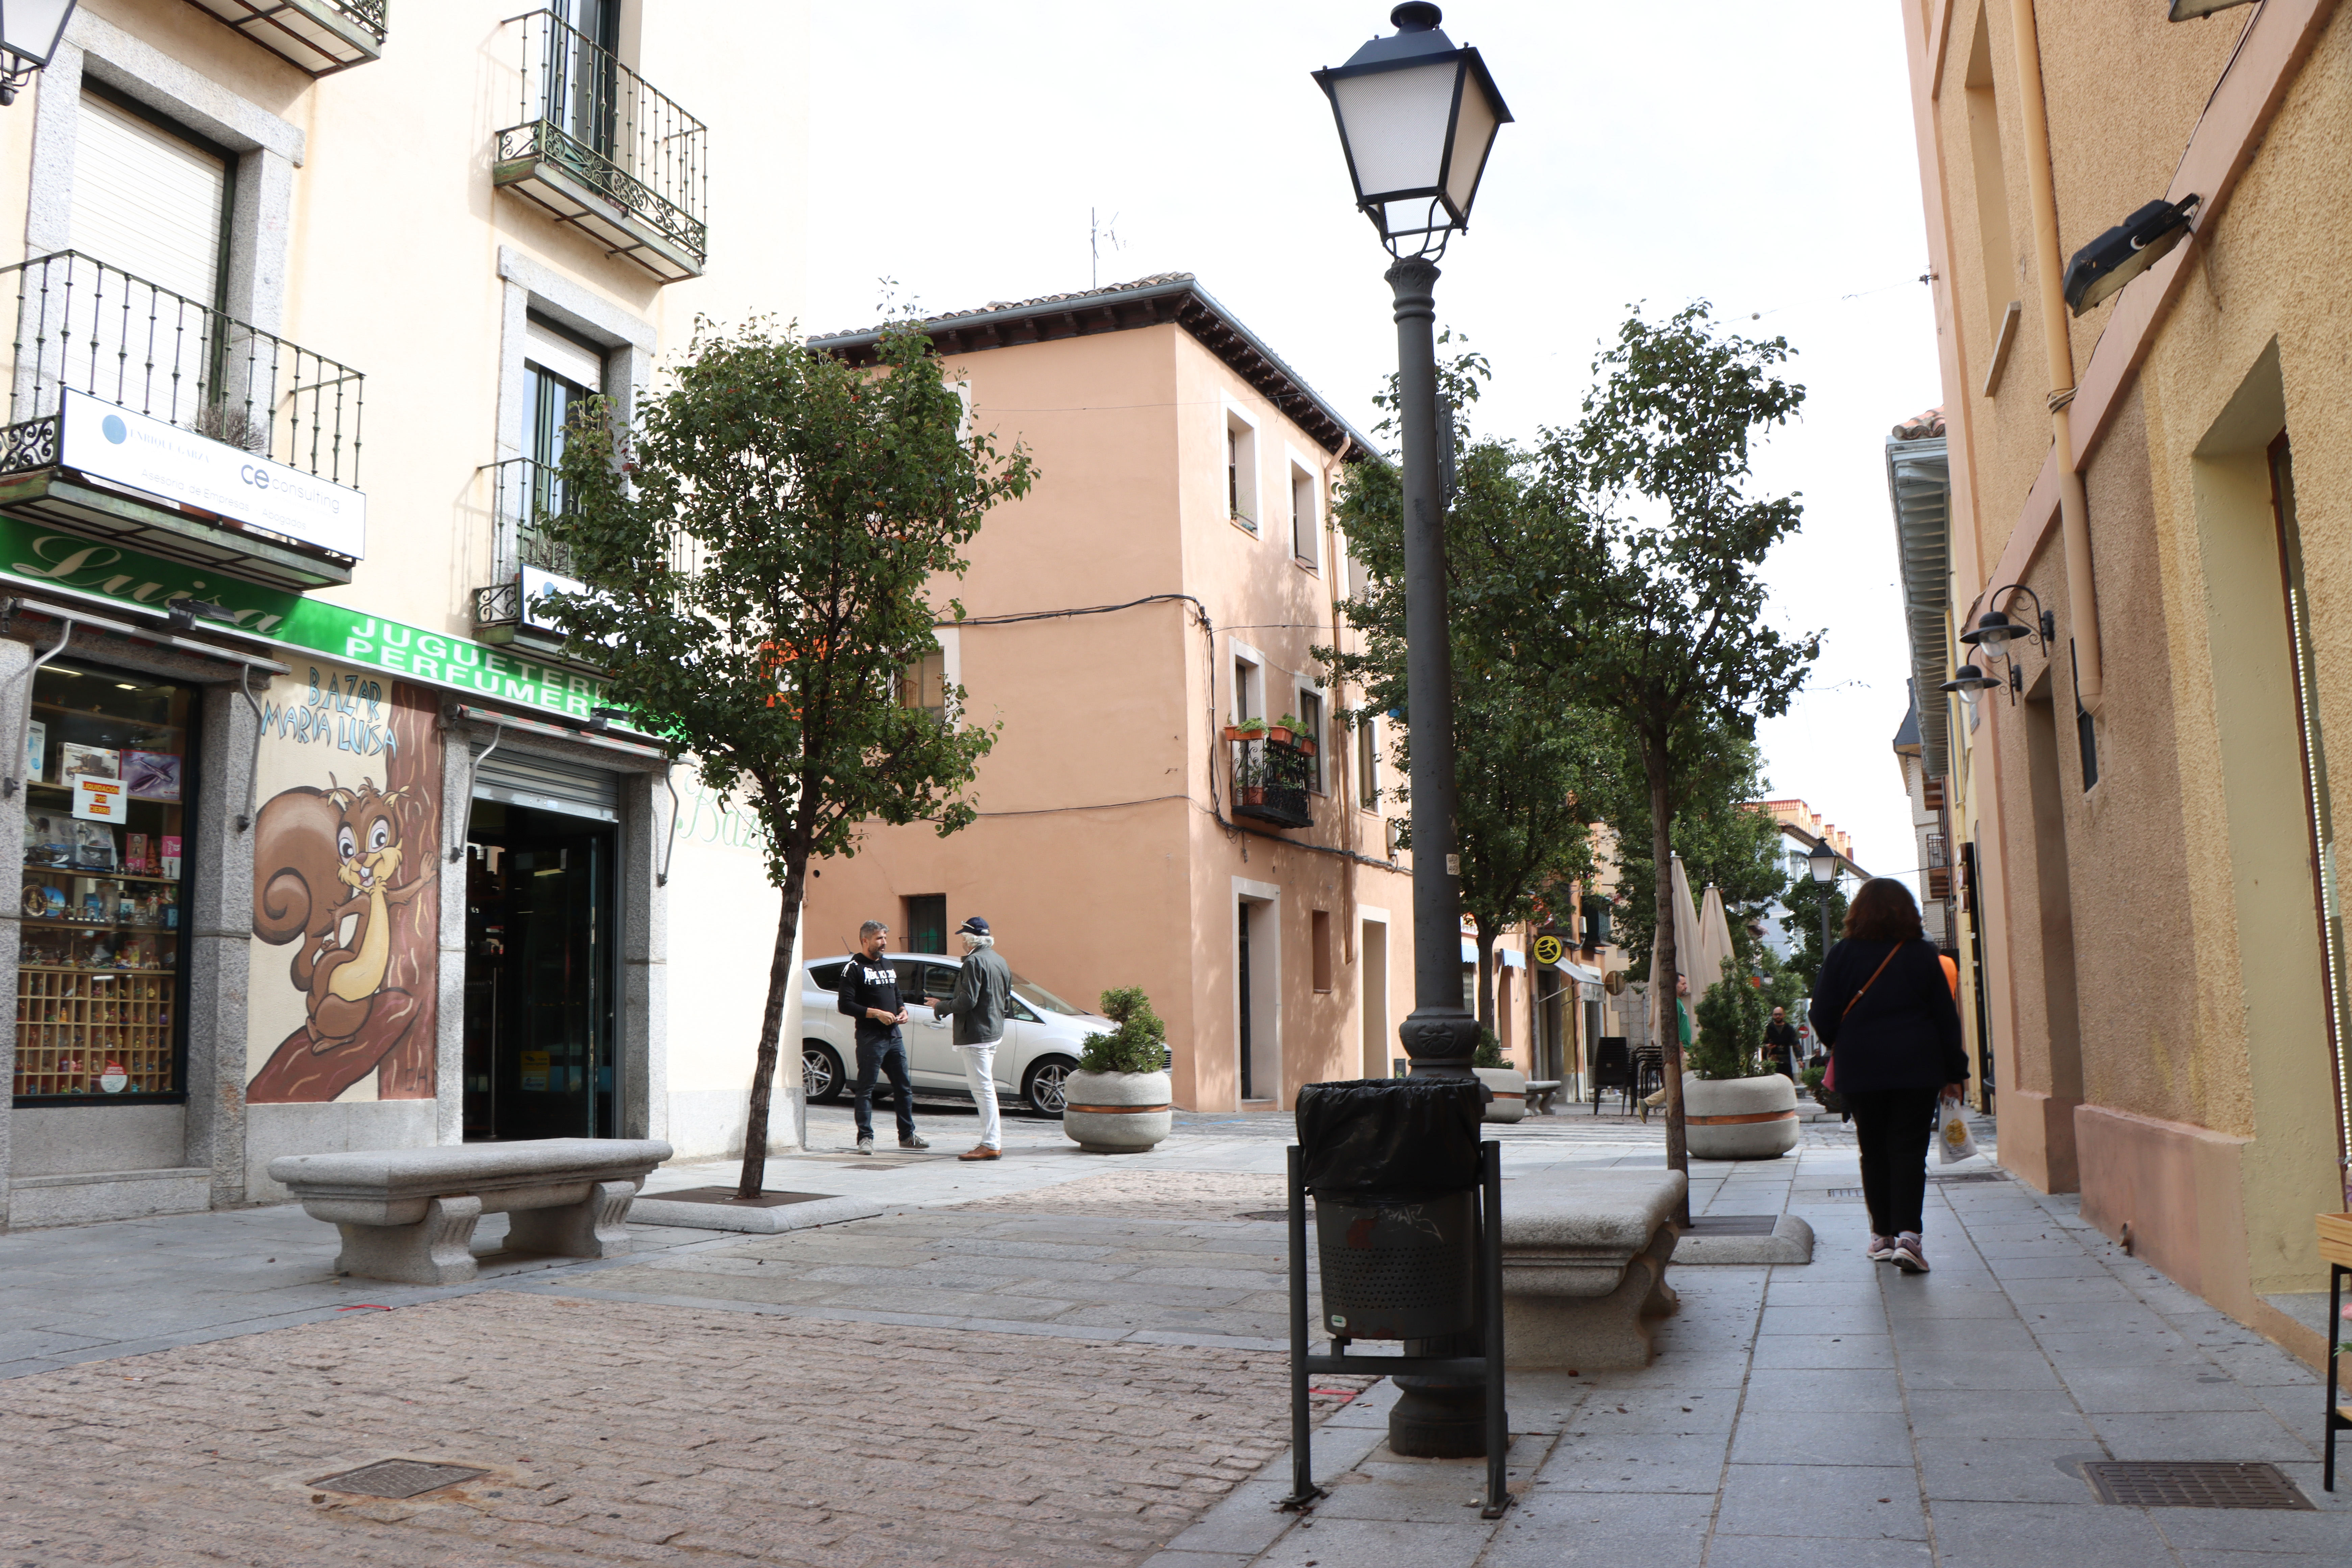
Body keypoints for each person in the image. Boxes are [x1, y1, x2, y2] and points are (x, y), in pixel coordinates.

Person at [1810, 878, 1966, 1273]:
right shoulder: (1922, 954)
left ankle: (1882, 1237)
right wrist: (1955, 1072)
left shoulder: (1842, 954)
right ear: (1907, 911)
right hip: (1917, 1066)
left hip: (1861, 1066)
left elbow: (1821, 1013)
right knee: (1909, 1149)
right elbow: (1946, 1019)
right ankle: (1909, 1238)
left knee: (1874, 1149)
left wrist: (1844, 1040)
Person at [836, 920, 930, 1156]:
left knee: (904, 1087)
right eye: (879, 938)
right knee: (866, 1089)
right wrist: (876, 1013)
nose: (884, 942)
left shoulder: (888, 964)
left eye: (885, 938)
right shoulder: (854, 968)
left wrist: (902, 1010)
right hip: (871, 1038)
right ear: (865, 940)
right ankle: (865, 1139)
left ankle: (907, 1136)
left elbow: (896, 993)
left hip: (894, 1036)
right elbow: (845, 1005)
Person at [942, 915, 1013, 1162]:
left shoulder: (974, 962)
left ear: (971, 939)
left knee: (983, 1090)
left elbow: (967, 1002)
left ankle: (991, 1144)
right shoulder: (999, 960)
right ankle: (990, 1142)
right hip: (993, 1031)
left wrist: (941, 1006)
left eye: (964, 937)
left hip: (976, 1034)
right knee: (986, 1088)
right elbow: (1006, 999)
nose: (962, 942)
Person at [1763, 1006, 1801, 1077]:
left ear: (1784, 1015)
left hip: (1786, 1062)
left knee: (1788, 1080)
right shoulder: (1769, 1028)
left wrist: (1799, 1059)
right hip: (1772, 1062)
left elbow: (1796, 1044)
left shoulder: (1789, 1029)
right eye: (1776, 1015)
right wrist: (1767, 1047)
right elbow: (1762, 1043)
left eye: (1780, 1014)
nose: (1778, 1016)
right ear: (1773, 1016)